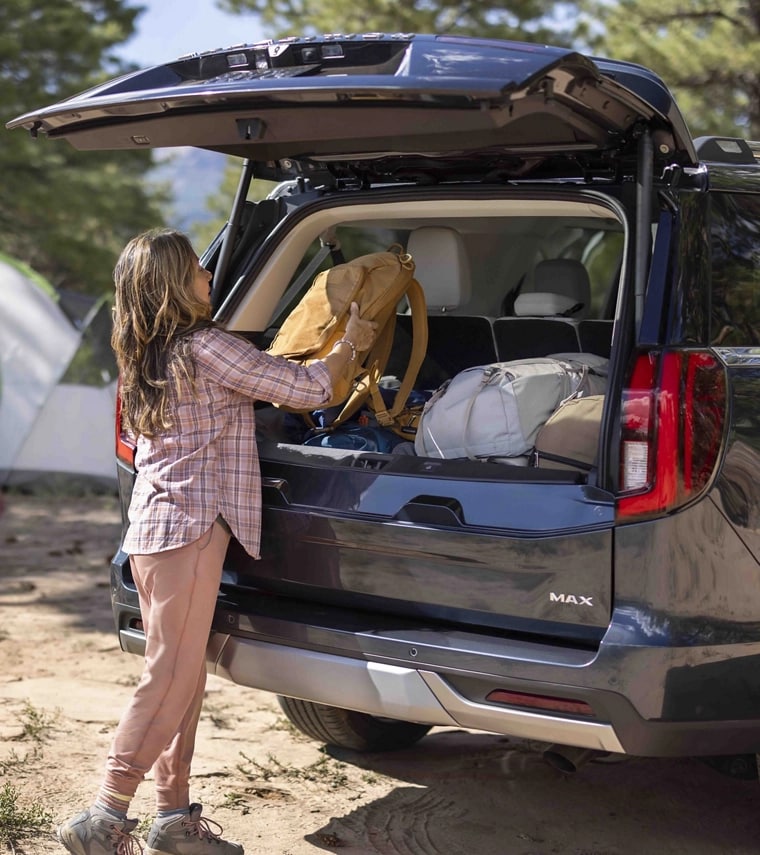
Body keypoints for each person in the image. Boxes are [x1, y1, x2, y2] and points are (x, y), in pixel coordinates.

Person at [56, 228, 378, 855]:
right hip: (190, 530)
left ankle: (173, 820)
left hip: (154, 530)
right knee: (170, 677)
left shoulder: (145, 352)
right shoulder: (205, 348)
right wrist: (351, 345)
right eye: (198, 271)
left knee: (182, 678)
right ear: (176, 283)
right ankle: (105, 815)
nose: (209, 278)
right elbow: (311, 389)